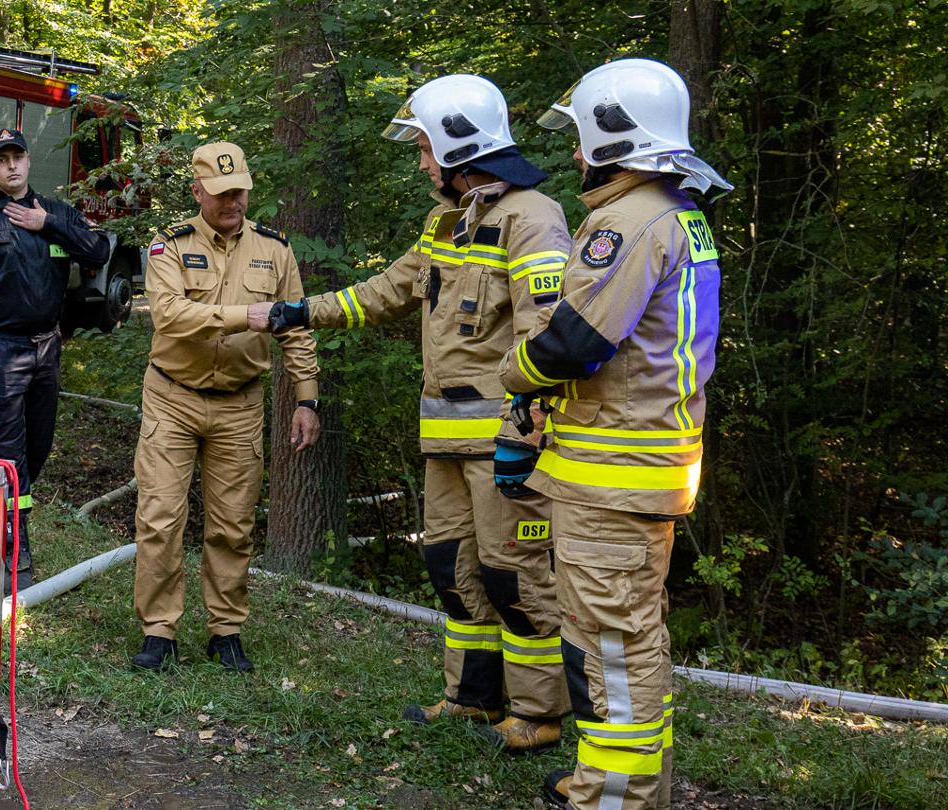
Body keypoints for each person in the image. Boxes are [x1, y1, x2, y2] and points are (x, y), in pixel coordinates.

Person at [268, 74, 573, 752]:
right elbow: (386, 292)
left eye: (428, 149)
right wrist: (301, 312)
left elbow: (547, 335)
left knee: (512, 576)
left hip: (505, 445)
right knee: (451, 567)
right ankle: (470, 698)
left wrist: (528, 433)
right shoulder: (447, 223)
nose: (422, 163)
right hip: (445, 443)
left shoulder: (533, 218)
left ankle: (538, 715)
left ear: (464, 149)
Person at [497, 58, 730, 810]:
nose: (573, 155)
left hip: (614, 473)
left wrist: (516, 373)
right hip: (645, 462)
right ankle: (622, 782)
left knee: (611, 648)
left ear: (613, 133)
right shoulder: (679, 212)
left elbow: (573, 343)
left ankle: (616, 798)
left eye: (582, 137)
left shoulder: (625, 221)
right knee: (630, 636)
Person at [128, 142, 321, 674]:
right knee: (161, 517)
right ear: (198, 192)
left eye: (239, 191)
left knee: (233, 524)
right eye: (220, 193)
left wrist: (306, 398)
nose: (233, 201)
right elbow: (169, 316)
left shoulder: (274, 251)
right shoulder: (169, 246)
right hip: (173, 397)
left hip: (240, 404)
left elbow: (296, 329)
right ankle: (159, 630)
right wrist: (247, 316)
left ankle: (226, 629)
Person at [0, 128, 111, 589]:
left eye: (18, 157)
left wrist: (48, 226)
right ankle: (16, 557)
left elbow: (98, 250)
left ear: (28, 162)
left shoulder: (55, 212)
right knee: (7, 456)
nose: (11, 166)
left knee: (36, 449)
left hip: (47, 349)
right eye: (2, 160)